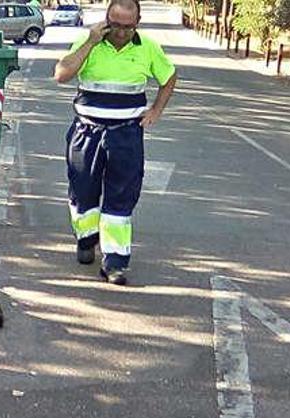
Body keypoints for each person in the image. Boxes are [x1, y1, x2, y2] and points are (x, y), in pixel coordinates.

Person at [53, 0, 176, 285]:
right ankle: (86, 239)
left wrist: (156, 110)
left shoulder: (148, 48)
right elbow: (62, 74)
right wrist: (91, 42)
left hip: (126, 134)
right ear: (106, 19)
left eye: (127, 27)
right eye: (115, 25)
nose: (120, 32)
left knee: (121, 195)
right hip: (87, 133)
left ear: (138, 22)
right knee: (83, 191)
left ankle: (114, 261)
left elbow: (169, 78)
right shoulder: (90, 41)